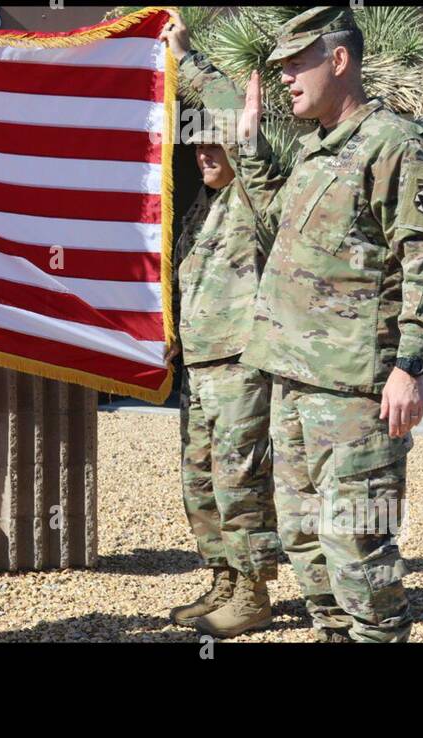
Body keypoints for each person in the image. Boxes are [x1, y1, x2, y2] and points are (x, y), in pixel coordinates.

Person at [166, 7, 423, 642]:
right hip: (292, 381)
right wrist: (244, 144)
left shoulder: (394, 145)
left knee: (358, 548)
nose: (285, 78)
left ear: (339, 60)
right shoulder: (313, 149)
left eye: (297, 64)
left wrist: (409, 367)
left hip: (354, 390)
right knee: (307, 547)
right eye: (280, 68)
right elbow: (275, 215)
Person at [165, 100, 286, 637]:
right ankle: (224, 580)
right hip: (200, 368)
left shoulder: (252, 198)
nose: (203, 152)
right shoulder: (204, 205)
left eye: (217, 142)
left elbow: (257, 168)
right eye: (197, 143)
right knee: (199, 483)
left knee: (240, 482)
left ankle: (254, 592)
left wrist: (190, 60)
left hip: (240, 368)